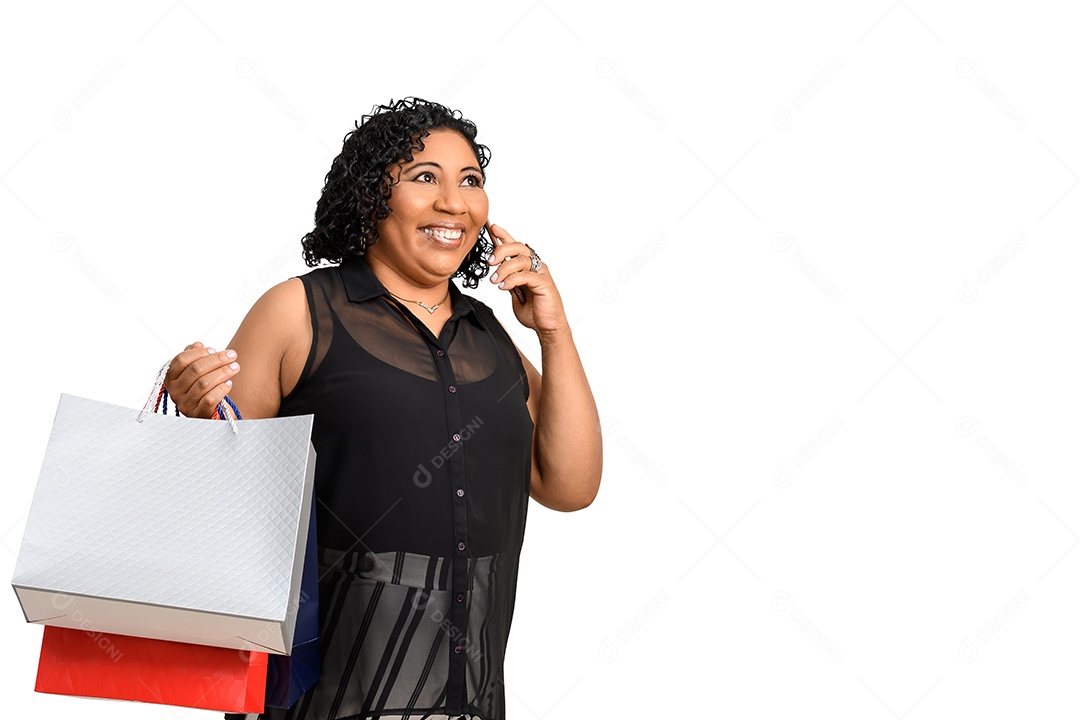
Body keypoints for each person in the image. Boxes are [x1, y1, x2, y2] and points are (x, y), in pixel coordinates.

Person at [164, 97, 602, 720]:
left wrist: (554, 331)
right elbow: (220, 508)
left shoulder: (490, 338)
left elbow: (571, 485)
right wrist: (195, 413)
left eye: (470, 180)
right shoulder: (298, 312)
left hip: (469, 700)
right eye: (425, 177)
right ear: (372, 196)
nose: (454, 202)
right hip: (324, 699)